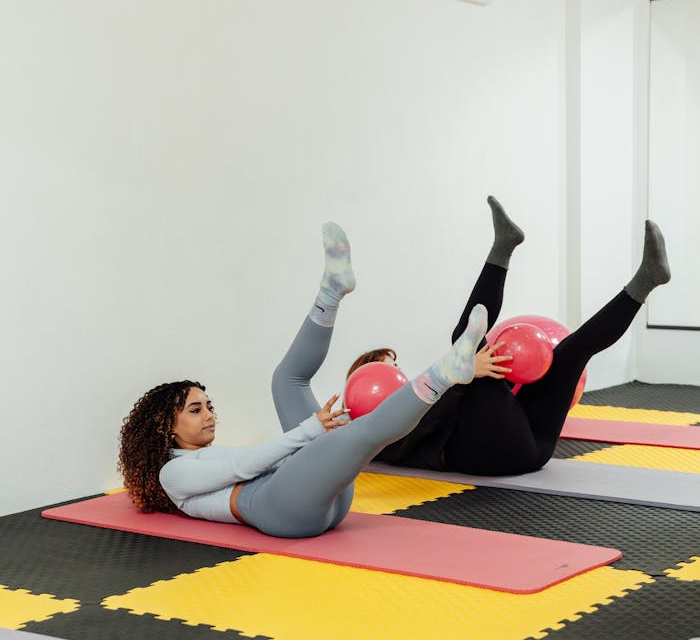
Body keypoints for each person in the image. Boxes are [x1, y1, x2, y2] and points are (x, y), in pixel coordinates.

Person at [118, 223, 488, 538]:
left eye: (208, 406)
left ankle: (331, 291)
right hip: (283, 512)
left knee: (286, 381)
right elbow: (243, 467)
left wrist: (320, 448)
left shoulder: (202, 460)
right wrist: (313, 431)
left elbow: (258, 465)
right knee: (358, 435)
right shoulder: (173, 473)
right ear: (166, 425)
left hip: (313, 496)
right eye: (196, 410)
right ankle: (446, 374)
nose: (209, 414)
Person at [365, 196, 672, 477]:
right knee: (464, 341)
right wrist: (464, 377)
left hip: (534, 445)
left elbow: (481, 411)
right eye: (386, 368)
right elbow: (421, 433)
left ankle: (647, 279)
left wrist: (490, 378)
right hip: (489, 457)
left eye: (393, 366)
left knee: (572, 351)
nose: (396, 374)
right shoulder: (373, 434)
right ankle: (503, 246)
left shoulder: (423, 390)